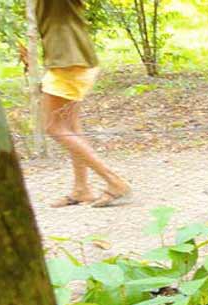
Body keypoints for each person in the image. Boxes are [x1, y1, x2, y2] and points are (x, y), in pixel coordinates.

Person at [35, 0, 131, 207]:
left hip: (68, 62)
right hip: (73, 59)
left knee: (55, 127)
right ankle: (81, 189)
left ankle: (114, 181)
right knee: (70, 126)